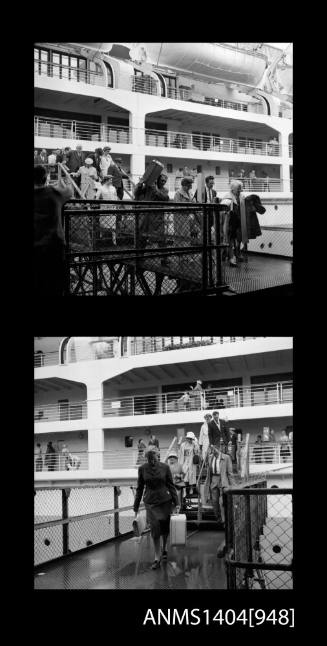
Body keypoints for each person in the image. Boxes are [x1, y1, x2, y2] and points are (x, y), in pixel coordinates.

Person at [133, 447, 178, 569]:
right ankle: (157, 557)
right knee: (155, 529)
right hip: (151, 503)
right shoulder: (142, 469)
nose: (152, 460)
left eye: (154, 457)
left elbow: (171, 485)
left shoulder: (165, 467)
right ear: (147, 457)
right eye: (150, 457)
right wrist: (136, 506)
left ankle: (164, 549)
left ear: (157, 456)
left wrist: (177, 502)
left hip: (165, 501)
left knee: (165, 528)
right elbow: (140, 488)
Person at [34, 164, 73, 297]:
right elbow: (70, 191)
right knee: (55, 285)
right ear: (45, 178)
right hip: (54, 246)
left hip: (36, 247)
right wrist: (60, 183)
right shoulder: (53, 193)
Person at [204, 444, 235, 525]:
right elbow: (209, 472)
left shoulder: (226, 457)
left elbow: (230, 473)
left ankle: (225, 521)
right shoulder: (210, 457)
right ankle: (219, 519)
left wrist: (234, 486)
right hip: (214, 480)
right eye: (211, 449)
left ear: (218, 449)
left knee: (222, 502)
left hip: (223, 480)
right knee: (214, 501)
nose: (213, 451)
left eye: (214, 449)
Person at [96, 175, 118, 245]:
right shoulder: (101, 188)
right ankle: (101, 237)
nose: (111, 181)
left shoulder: (113, 188)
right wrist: (100, 201)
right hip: (104, 208)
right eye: (110, 180)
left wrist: (116, 205)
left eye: (111, 180)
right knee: (102, 224)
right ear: (106, 180)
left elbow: (115, 197)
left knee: (113, 225)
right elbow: (97, 198)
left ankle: (114, 240)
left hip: (112, 208)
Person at [179, 431, 199, 496]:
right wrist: (181, 464)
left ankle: (191, 488)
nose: (190, 440)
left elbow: (197, 453)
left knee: (191, 476)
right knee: (184, 476)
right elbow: (181, 455)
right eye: (189, 438)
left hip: (191, 462)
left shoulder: (194, 444)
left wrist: (196, 444)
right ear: (187, 438)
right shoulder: (183, 445)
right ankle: (184, 490)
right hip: (185, 461)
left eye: (191, 439)